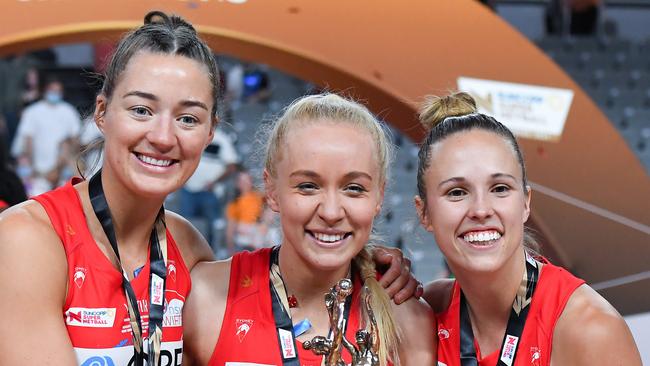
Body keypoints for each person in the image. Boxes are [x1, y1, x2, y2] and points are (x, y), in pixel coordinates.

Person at [0, 12, 418, 365]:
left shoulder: (187, 248)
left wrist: (364, 259)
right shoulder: (28, 240)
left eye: (188, 118)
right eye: (142, 109)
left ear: (209, 132)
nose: (164, 137)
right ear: (103, 112)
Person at [183, 93, 435, 365]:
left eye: (354, 189)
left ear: (379, 197)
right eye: (308, 186)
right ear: (271, 190)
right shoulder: (206, 299)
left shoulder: (410, 323)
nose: (330, 212)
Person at [416, 92, 642, 365]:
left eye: (500, 188)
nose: (480, 209)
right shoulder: (424, 312)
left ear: (525, 202)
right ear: (424, 212)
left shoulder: (590, 330)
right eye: (456, 192)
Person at [11, 76, 81, 196]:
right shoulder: (32, 111)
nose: (55, 93)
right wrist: (31, 168)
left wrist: (64, 162)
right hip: (39, 171)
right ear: (45, 91)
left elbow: (75, 139)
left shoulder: (69, 111)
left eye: (58, 91)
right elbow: (28, 140)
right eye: (52, 90)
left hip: (63, 171)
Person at [180, 128, 239, 249]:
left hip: (210, 192)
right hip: (188, 189)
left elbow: (232, 166)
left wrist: (214, 182)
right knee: (184, 227)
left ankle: (209, 258)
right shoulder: (192, 135)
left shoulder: (222, 138)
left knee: (213, 229)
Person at [225, 170, 266, 253]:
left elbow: (272, 204)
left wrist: (265, 223)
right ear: (237, 184)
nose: (245, 183)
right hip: (242, 232)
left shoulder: (258, 197)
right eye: (242, 181)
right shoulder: (234, 203)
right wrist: (230, 248)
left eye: (247, 180)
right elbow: (231, 226)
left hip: (257, 229)